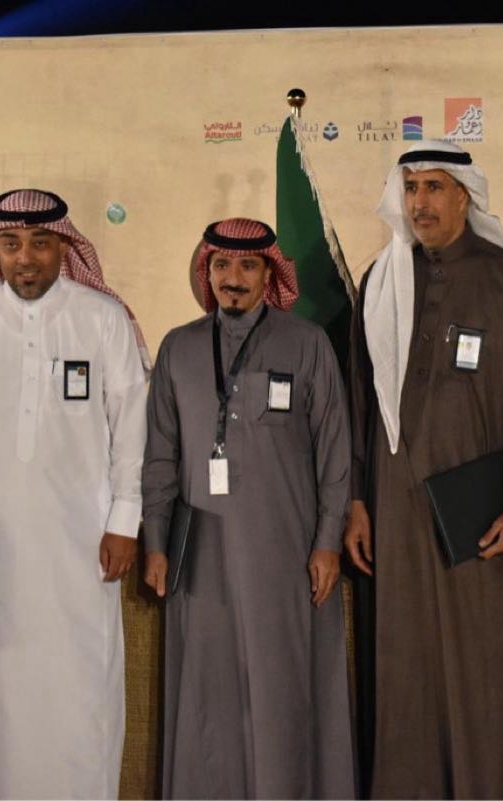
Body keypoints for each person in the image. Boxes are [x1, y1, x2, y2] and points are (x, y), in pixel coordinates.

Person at [0, 189, 148, 799]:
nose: (26, 258)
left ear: (64, 246)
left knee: (80, 682)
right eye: (10, 243)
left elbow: (132, 427)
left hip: (81, 543)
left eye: (41, 243)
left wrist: (124, 520)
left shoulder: (103, 318)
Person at [343, 140, 503, 798]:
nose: (420, 203)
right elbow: (359, 400)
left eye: (435, 187)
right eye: (411, 188)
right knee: (405, 666)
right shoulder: (382, 281)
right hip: (396, 511)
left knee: (488, 666)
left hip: (482, 516)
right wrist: (357, 502)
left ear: (465, 196)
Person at [141, 218, 354, 799]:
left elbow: (336, 452)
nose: (232, 279)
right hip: (200, 556)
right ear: (206, 272)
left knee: (279, 685)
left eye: (247, 266)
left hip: (283, 553)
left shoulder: (306, 344)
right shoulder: (179, 347)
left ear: (268, 275)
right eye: (221, 266)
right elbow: (159, 455)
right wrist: (155, 542)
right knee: (208, 690)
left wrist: (327, 541)